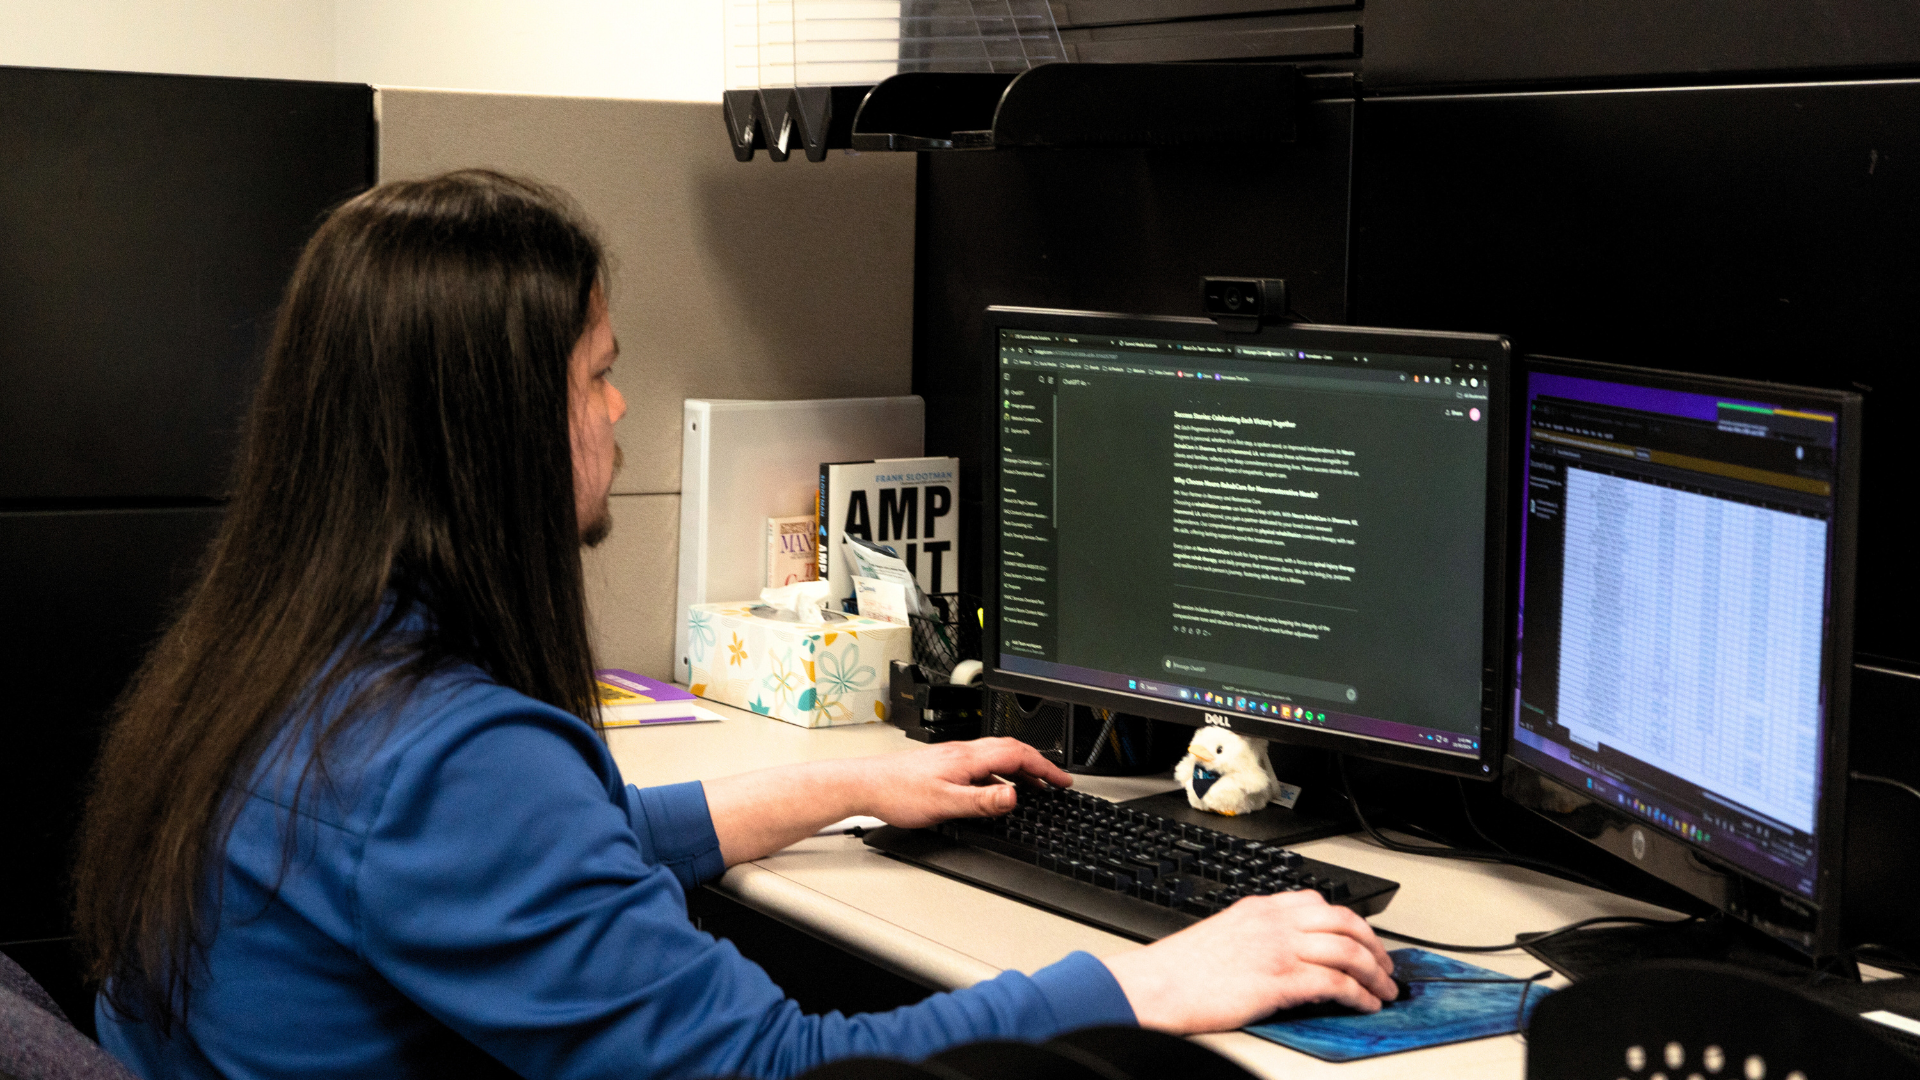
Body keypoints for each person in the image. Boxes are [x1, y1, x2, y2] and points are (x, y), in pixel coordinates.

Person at [73, 170, 1396, 1080]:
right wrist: (1146, 983)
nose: (621, 411)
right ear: (491, 436)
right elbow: (769, 1069)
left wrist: (842, 790)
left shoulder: (297, 660)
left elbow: (552, 855)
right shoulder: (437, 757)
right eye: (599, 376)